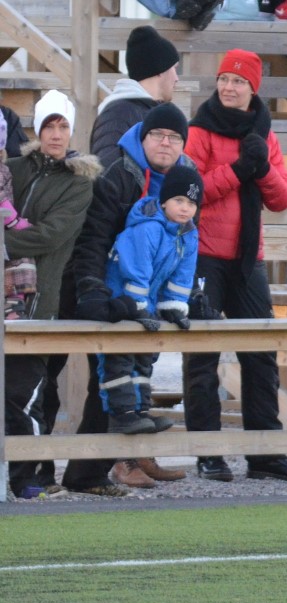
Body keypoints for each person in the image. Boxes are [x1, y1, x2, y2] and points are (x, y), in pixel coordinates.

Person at [184, 49, 287, 483]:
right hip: (203, 255)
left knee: (261, 353)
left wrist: (261, 170)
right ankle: (207, 453)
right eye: (224, 78)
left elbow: (282, 198)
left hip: (246, 258)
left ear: (253, 88)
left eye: (238, 81)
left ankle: (265, 454)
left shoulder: (265, 134)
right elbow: (191, 192)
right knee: (202, 357)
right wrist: (240, 169)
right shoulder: (199, 130)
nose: (229, 87)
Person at [70, 103, 199, 492]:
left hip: (151, 299)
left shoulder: (185, 180)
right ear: (143, 138)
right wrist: (91, 287)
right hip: (111, 289)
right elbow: (94, 237)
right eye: (158, 135)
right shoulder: (119, 174)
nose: (165, 142)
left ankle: (127, 459)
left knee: (140, 370)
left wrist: (191, 295)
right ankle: (81, 475)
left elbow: (186, 245)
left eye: (174, 137)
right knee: (108, 381)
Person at [5, 91, 102, 499]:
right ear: (37, 129)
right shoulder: (12, 169)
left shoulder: (79, 182)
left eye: (63, 126)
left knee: (24, 393)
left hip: (38, 302)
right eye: (49, 125)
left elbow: (51, 235)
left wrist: (4, 242)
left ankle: (29, 478)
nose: (56, 134)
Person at [99, 165, 202, 448]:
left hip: (148, 302)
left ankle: (141, 410)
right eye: (179, 200)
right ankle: (122, 413)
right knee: (119, 357)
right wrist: (137, 306)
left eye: (191, 203)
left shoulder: (188, 234)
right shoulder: (147, 228)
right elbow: (136, 271)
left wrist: (174, 305)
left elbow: (183, 275)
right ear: (165, 200)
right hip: (121, 299)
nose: (185, 208)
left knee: (145, 356)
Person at [91, 26, 181, 168]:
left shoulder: (151, 111)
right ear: (160, 69)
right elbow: (106, 171)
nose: (177, 78)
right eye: (174, 68)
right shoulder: (118, 114)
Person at [1, 114, 35, 320]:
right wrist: (14, 221)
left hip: (3, 228)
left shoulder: (4, 169)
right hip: (5, 222)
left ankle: (15, 300)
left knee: (20, 255)